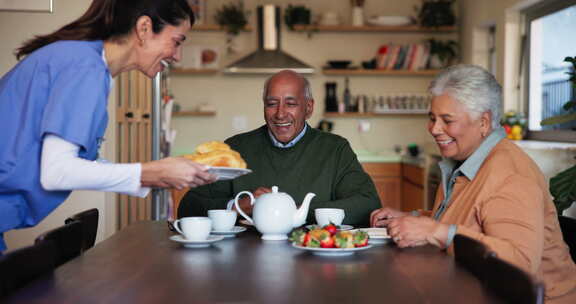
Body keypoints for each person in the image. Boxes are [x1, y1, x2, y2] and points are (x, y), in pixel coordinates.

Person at [0, 0, 217, 252]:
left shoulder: (87, 65)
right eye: (177, 41)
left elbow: (83, 163)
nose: (177, 56)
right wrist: (150, 172)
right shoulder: (84, 66)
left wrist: (160, 177)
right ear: (144, 28)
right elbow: (57, 172)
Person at [370, 64, 576, 303]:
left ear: (484, 122)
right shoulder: (464, 161)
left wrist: (434, 231)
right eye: (432, 118)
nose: (435, 129)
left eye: (447, 120)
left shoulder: (510, 176)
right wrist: (414, 217)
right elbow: (469, 219)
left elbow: (520, 263)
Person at [178, 70, 380, 226]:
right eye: (272, 103)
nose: (280, 114)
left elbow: (368, 204)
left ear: (308, 108)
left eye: (290, 103)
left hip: (316, 261)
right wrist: (237, 206)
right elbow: (188, 207)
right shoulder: (235, 148)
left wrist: (296, 210)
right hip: (245, 258)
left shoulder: (335, 149)